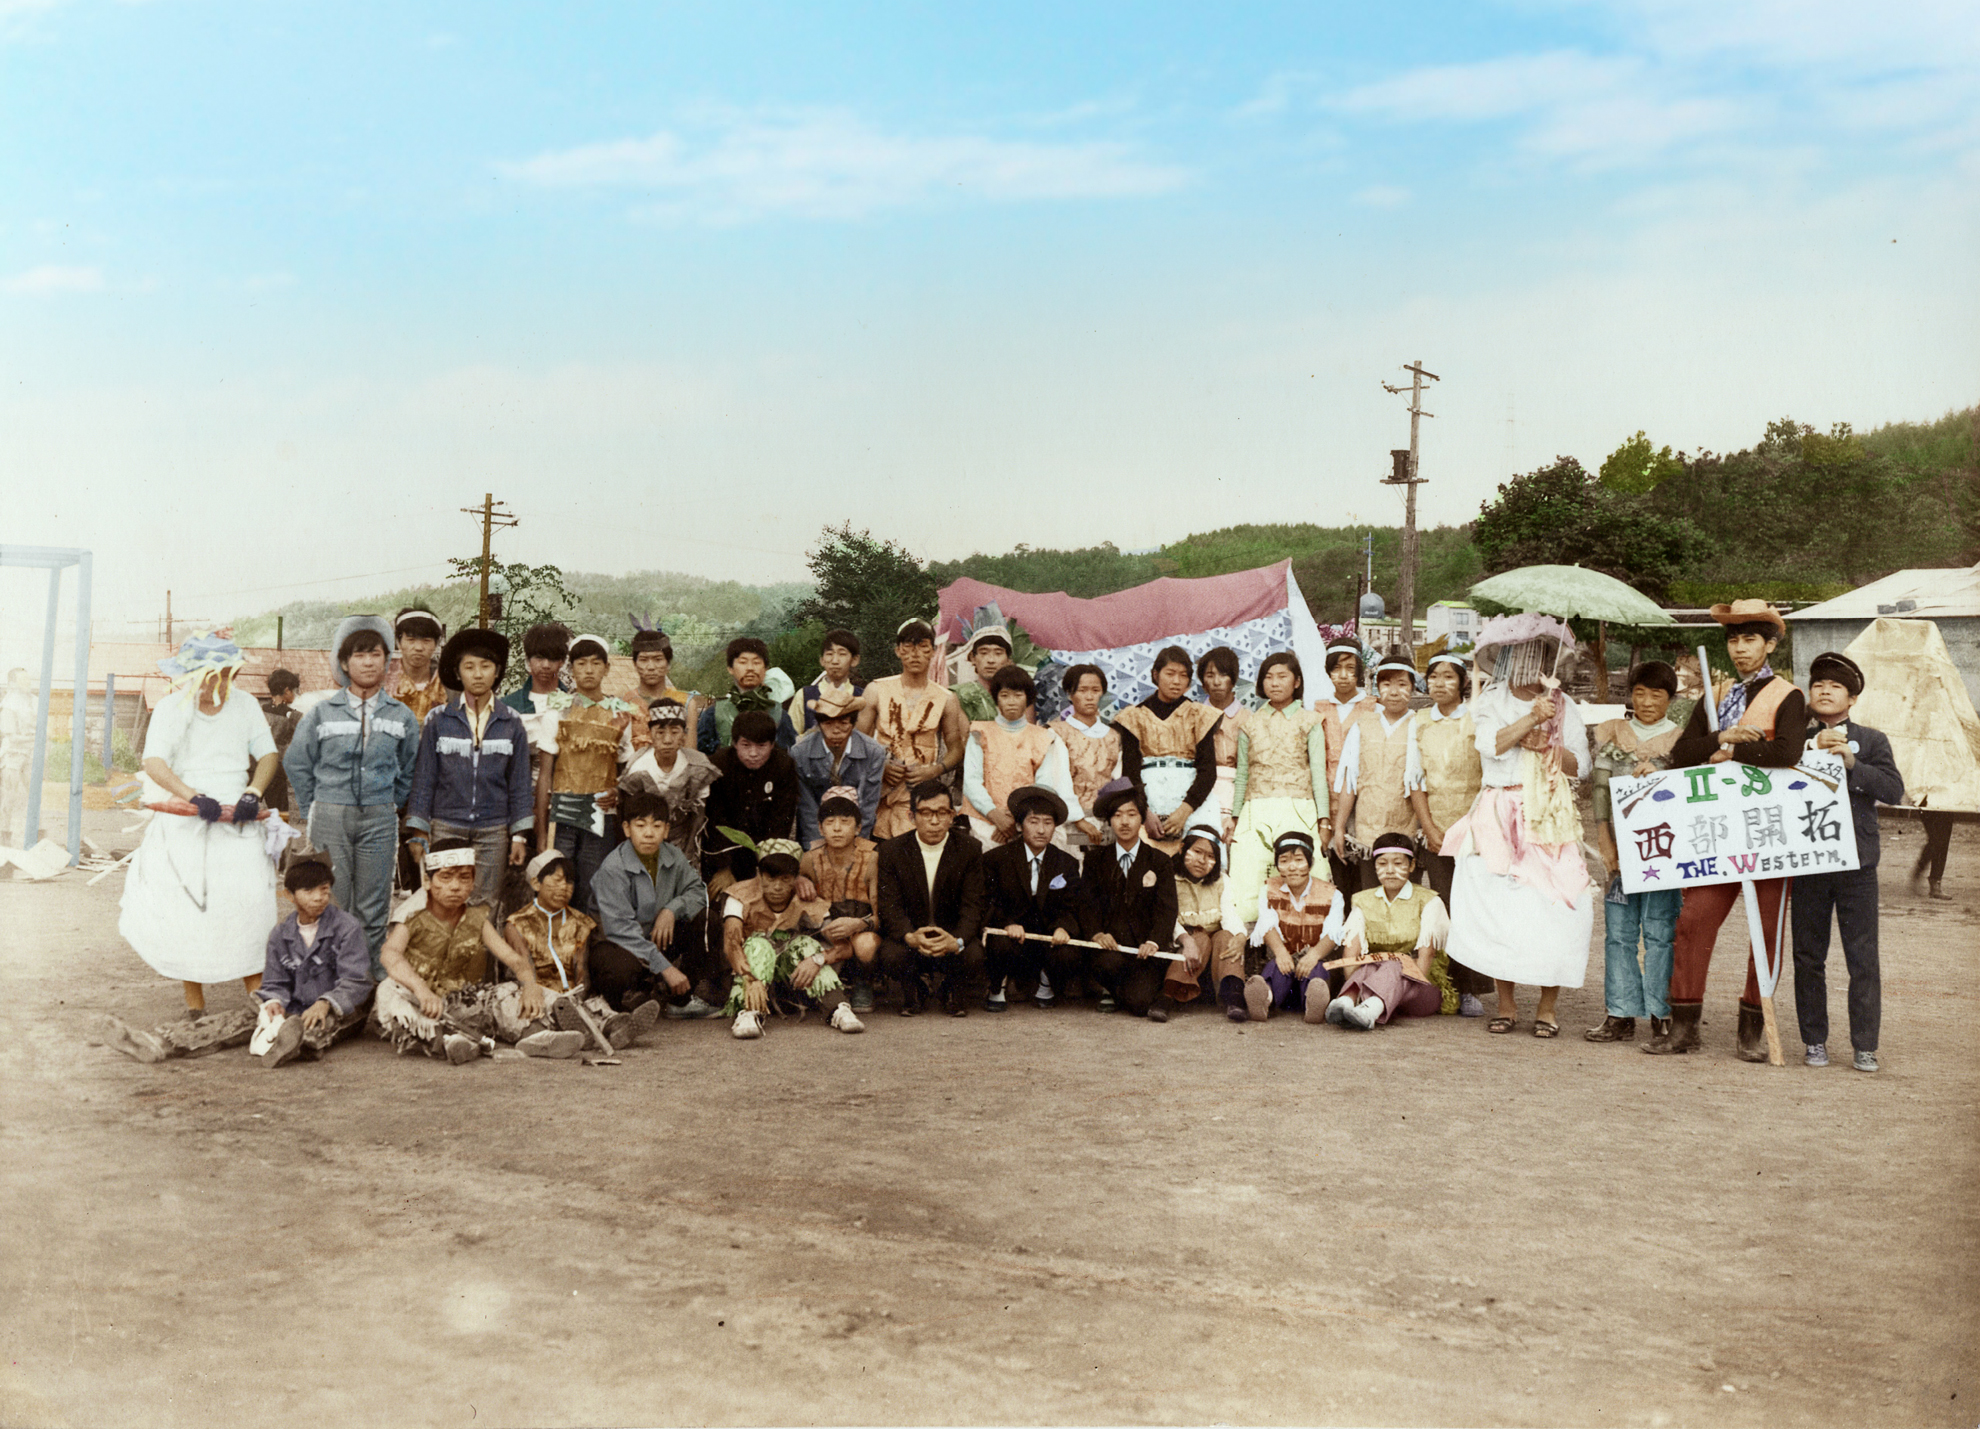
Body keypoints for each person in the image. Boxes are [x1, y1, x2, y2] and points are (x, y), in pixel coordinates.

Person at [1660, 599, 1808, 1060]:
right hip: (1717, 829)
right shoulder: (1716, 692)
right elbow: (1683, 753)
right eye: (1733, 639)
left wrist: (1738, 753)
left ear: (1769, 644)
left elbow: (1788, 752)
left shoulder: (1789, 695)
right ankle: (1685, 1027)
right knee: (1693, 921)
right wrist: (1721, 738)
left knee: (1766, 931)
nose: (1740, 649)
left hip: (1768, 831)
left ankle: (1751, 1030)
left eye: (1750, 639)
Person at [1442, 614, 1593, 1039]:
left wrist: (1550, 742)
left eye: (1540, 653)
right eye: (1523, 653)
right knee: (1499, 908)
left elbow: (1579, 767)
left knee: (1560, 907)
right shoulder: (1490, 701)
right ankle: (1506, 1004)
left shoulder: (1564, 705)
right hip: (1498, 810)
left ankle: (1547, 1007)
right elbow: (1490, 745)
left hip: (1547, 814)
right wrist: (1529, 720)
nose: (1531, 661)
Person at [119, 631, 283, 1022]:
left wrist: (253, 793)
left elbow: (268, 754)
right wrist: (192, 796)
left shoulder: (245, 706)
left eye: (227, 674)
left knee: (246, 903)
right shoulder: (172, 707)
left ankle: (258, 997)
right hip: (187, 815)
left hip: (237, 816)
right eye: (211, 675)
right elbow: (155, 762)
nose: (219, 683)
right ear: (192, 674)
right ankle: (195, 1005)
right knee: (189, 904)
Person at [373, 838, 621, 1064]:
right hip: (426, 1004)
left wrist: (529, 985)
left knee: (510, 990)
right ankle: (447, 1042)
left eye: (464, 878)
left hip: (465, 1001)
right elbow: (390, 955)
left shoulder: (473, 914)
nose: (456, 887)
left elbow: (514, 959)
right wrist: (421, 989)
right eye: (446, 878)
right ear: (428, 881)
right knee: (388, 992)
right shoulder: (414, 910)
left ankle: (544, 1034)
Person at [283, 615, 421, 977]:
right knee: (332, 898)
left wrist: (391, 799)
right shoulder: (322, 713)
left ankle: (370, 982)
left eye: (376, 654)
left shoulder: (401, 716)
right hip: (330, 814)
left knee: (375, 903)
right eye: (359, 655)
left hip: (379, 817)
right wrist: (319, 800)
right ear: (345, 663)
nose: (369, 662)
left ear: (386, 662)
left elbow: (410, 767)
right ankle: (334, 978)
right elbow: (296, 761)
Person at [1792, 652, 1905, 1072]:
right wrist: (1809, 748)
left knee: (1862, 956)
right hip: (1807, 861)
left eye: (1835, 686)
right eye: (1818, 684)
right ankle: (1814, 1040)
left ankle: (1864, 1044)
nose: (1825, 690)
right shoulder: (1794, 737)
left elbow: (1894, 790)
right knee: (1807, 955)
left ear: (1852, 698)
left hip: (1857, 864)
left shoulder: (1872, 740)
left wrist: (1853, 763)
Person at [1582, 660, 1690, 1046]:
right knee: (1620, 933)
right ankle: (1620, 1012)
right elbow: (1598, 792)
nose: (1646, 702)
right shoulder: (1613, 735)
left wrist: (1661, 778)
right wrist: (1605, 843)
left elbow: (1691, 793)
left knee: (1662, 932)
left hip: (1664, 852)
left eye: (1656, 695)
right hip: (1620, 853)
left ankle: (1661, 1013)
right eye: (1639, 693)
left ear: (1670, 700)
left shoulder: (1682, 741)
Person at [405, 628, 534, 914]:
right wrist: (419, 830)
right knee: (444, 901)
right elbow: (424, 778)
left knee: (485, 907)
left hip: (493, 831)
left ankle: (481, 960)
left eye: (485, 666)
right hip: (446, 825)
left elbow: (520, 783)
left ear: (497, 671)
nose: (478, 674)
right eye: (469, 666)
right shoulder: (439, 720)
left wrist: (519, 835)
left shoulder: (511, 722)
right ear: (458, 672)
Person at [1405, 652, 1489, 1017]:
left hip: (1476, 828)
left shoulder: (1479, 718)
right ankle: (1441, 984)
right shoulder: (1419, 721)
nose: (1440, 684)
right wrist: (1429, 828)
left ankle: (1472, 988)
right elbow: (1414, 780)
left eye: (1448, 677)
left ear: (1462, 682)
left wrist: (1476, 826)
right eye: (1434, 677)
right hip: (1436, 830)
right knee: (1443, 907)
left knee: (1473, 909)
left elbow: (1490, 775)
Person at [532, 633, 639, 913]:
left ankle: (585, 954)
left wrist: (618, 792)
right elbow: (545, 774)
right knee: (556, 886)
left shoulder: (620, 712)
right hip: (563, 813)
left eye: (595, 663)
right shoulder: (557, 709)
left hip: (600, 815)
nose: (588, 670)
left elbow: (626, 769)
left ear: (606, 668)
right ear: (571, 669)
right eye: (581, 663)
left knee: (592, 890)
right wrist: (542, 833)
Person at [720, 837, 866, 1038]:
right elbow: (731, 944)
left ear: (796, 879)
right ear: (759, 875)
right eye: (770, 878)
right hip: (748, 975)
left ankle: (838, 1009)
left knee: (805, 944)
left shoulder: (808, 902)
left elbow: (844, 948)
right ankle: (748, 1012)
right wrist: (749, 977)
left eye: (785, 879)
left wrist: (817, 960)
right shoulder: (739, 896)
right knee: (758, 944)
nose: (778, 887)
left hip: (794, 982)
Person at [589, 789, 710, 1018]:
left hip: (654, 936)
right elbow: (620, 930)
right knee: (618, 968)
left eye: (656, 826)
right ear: (626, 829)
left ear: (666, 830)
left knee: (706, 920)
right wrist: (665, 967)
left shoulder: (672, 855)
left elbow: (698, 891)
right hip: (618, 944)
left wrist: (671, 909)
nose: (648, 834)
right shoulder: (613, 868)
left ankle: (680, 1001)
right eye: (640, 825)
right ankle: (617, 1008)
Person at [1229, 652, 1329, 923]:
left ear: (1296, 681)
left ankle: (1304, 948)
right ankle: (1254, 949)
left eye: (1282, 676)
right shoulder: (1249, 723)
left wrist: (1324, 820)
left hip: (1299, 808)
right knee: (1249, 881)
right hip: (1255, 810)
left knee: (1304, 880)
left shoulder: (1311, 721)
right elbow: (1243, 774)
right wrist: (1235, 817)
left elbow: (1318, 773)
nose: (1274, 683)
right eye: (1268, 677)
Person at [250, 857, 376, 1068]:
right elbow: (274, 981)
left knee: (321, 1025)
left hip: (342, 1009)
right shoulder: (280, 934)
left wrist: (325, 1003)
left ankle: (296, 1044)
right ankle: (181, 1039)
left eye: (324, 889)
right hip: (297, 1008)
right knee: (253, 1008)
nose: (319, 897)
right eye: (309, 891)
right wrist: (274, 1002)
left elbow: (357, 980)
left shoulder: (347, 927)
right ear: (289, 895)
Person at [1322, 832, 1453, 1029]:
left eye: (1398, 864)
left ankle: (1369, 1010)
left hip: (1420, 990)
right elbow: (1351, 954)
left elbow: (1425, 961)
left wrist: (1391, 979)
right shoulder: (1363, 900)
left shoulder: (1428, 901)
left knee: (1393, 964)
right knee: (1371, 965)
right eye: (1382, 864)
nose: (1390, 871)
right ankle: (1346, 1002)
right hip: (1377, 983)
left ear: (1411, 866)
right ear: (1374, 867)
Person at [876, 780, 985, 1016]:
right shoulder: (891, 851)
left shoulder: (970, 849)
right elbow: (889, 905)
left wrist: (956, 939)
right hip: (913, 935)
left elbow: (973, 905)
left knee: (974, 953)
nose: (934, 821)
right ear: (911, 816)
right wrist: (910, 936)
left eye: (941, 813)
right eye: (925, 813)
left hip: (950, 933)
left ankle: (951, 988)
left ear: (952, 816)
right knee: (890, 954)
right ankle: (917, 988)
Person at [1078, 778, 1182, 1020]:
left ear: (1142, 818)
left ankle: (1121, 991)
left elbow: (1167, 909)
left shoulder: (1159, 861)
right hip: (1109, 949)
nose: (1124, 822)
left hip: (1143, 951)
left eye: (1131, 814)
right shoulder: (1095, 860)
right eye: (1117, 815)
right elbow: (1086, 905)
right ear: (1109, 821)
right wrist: (1097, 934)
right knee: (1107, 965)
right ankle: (1109, 985)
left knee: (1140, 1004)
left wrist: (1154, 942)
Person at [499, 848, 617, 1058]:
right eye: (556, 881)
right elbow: (524, 969)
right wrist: (549, 998)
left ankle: (613, 1026)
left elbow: (582, 972)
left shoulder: (581, 922)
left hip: (569, 998)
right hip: (533, 993)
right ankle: (544, 1036)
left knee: (596, 1007)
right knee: (512, 1006)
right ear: (536, 884)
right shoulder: (517, 923)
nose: (564, 888)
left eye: (569, 882)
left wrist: (576, 995)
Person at [857, 620, 967, 840]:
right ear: (898, 651)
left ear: (933, 652)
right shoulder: (876, 690)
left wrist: (936, 770)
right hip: (878, 791)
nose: (915, 655)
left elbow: (956, 748)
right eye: (908, 648)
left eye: (923, 647)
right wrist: (881, 766)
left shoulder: (946, 699)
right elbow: (858, 740)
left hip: (920, 793)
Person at [978, 784, 1083, 1012]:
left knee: (1068, 952)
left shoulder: (1066, 863)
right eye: (1033, 822)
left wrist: (1064, 927)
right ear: (1018, 825)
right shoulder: (996, 860)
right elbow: (988, 902)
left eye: (1048, 823)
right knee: (1001, 943)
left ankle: (1046, 982)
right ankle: (998, 986)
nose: (1041, 830)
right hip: (1012, 935)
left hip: (1047, 936)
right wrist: (1007, 923)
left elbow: (1072, 905)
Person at [1110, 646, 1221, 855]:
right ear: (1155, 675)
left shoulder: (1200, 715)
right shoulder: (1134, 716)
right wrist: (1144, 812)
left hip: (1192, 798)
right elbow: (1130, 771)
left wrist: (1184, 812)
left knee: (1195, 858)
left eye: (1183, 676)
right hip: (1148, 796)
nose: (1176, 681)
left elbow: (1207, 771)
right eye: (1170, 674)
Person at [961, 665, 1082, 848]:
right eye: (1005, 695)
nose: (1011, 702)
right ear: (996, 699)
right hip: (986, 820)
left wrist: (1016, 820)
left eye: (1018, 696)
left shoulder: (1043, 737)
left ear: (1028, 699)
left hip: (1027, 821)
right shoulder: (979, 733)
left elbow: (1044, 784)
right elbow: (971, 780)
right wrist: (995, 815)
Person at [1331, 656, 1423, 887]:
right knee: (1371, 895)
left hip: (1406, 828)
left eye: (1402, 684)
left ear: (1412, 687)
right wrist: (1340, 827)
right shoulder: (1363, 724)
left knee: (1405, 898)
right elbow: (1349, 781)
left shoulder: (1420, 725)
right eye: (1386, 684)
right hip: (1367, 830)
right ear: (1376, 688)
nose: (1394, 692)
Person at [797, 787, 883, 1011]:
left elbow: (883, 913)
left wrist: (859, 923)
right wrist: (799, 880)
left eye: (845, 822)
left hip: (862, 927)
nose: (837, 829)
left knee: (865, 946)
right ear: (819, 828)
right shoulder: (809, 859)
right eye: (829, 822)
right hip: (827, 931)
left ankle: (864, 983)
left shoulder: (873, 858)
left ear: (858, 828)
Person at [1244, 830, 1343, 1022]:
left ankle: (1313, 1005)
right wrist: (1281, 953)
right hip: (1285, 961)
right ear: (1278, 865)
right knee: (1276, 969)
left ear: (1310, 863)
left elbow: (1333, 933)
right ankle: (1265, 999)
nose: (1292, 867)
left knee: (1316, 973)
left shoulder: (1332, 894)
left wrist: (1313, 955)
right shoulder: (1268, 890)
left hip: (1314, 960)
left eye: (1299, 860)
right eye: (1284, 861)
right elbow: (1267, 924)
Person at [617, 697, 720, 864]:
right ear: (650, 733)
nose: (667, 740)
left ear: (683, 734)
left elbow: (699, 815)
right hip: (646, 839)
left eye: (674, 732)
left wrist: (689, 852)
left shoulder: (697, 766)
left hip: (684, 840)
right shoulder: (638, 767)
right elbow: (629, 814)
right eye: (660, 732)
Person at [1314, 640, 1375, 893]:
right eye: (1337, 668)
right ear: (1328, 672)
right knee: (1334, 875)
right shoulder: (1318, 709)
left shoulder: (1373, 707)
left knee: (1363, 873)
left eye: (1350, 668)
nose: (1343, 675)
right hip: (1327, 800)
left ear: (1359, 672)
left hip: (1362, 803)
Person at [1174, 823, 1249, 1022]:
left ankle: (1234, 996)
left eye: (1210, 856)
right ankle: (1170, 994)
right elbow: (1169, 917)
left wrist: (1241, 936)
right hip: (1185, 940)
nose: (1202, 861)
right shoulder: (1172, 878)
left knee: (1227, 937)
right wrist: (1184, 939)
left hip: (1215, 946)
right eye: (1197, 852)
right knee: (1198, 939)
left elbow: (1229, 914)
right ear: (1183, 849)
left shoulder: (1221, 881)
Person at [793, 689, 887, 847]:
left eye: (843, 723)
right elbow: (806, 807)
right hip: (816, 832)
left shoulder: (873, 751)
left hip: (857, 831)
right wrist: (818, 847)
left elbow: (868, 804)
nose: (836, 730)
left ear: (853, 723)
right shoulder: (800, 752)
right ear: (819, 724)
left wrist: (856, 845)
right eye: (828, 723)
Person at [1051, 664, 1122, 849]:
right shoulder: (1058, 732)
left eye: (1095, 690)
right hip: (1070, 820)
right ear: (1069, 694)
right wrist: (1078, 819)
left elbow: (1119, 779)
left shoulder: (1113, 736)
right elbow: (1059, 780)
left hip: (1107, 821)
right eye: (1082, 690)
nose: (1090, 697)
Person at [697, 637, 797, 754]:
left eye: (756, 662)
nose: (750, 668)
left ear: (765, 669)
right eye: (743, 662)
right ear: (730, 669)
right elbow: (702, 758)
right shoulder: (714, 714)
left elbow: (789, 757)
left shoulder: (779, 714)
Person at [1197, 646, 1249, 840]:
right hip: (1203, 790)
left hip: (1238, 792)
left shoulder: (1249, 719)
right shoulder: (1194, 717)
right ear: (1203, 683)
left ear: (1233, 679)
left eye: (1223, 674)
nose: (1217, 682)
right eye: (1210, 675)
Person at [625, 627, 704, 754]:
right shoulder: (625, 703)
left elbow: (690, 753)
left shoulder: (686, 703)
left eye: (658, 659)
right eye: (644, 660)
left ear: (668, 664)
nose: (651, 667)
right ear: (635, 664)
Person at [790, 627, 865, 736]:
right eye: (829, 654)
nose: (835, 661)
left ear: (854, 660)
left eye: (842, 654)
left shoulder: (863, 697)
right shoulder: (804, 696)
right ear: (822, 660)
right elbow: (792, 738)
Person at [390, 608, 449, 726]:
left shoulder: (448, 683)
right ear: (398, 642)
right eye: (411, 640)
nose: (418, 647)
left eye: (426, 640)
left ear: (436, 644)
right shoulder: (383, 680)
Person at [260, 667, 301, 824]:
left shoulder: (261, 710)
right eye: (294, 691)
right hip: (277, 769)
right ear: (286, 690)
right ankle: (280, 846)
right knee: (281, 813)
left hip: (258, 766)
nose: (295, 694)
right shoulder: (293, 715)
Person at [954, 624, 1014, 724]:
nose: (991, 660)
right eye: (984, 653)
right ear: (973, 658)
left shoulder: (1018, 695)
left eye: (998, 653)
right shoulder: (959, 695)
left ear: (1008, 660)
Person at [1913, 810, 1954, 901]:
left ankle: (1935, 883)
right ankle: (1921, 870)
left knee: (1943, 839)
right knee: (1937, 839)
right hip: (1927, 801)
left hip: (1947, 804)